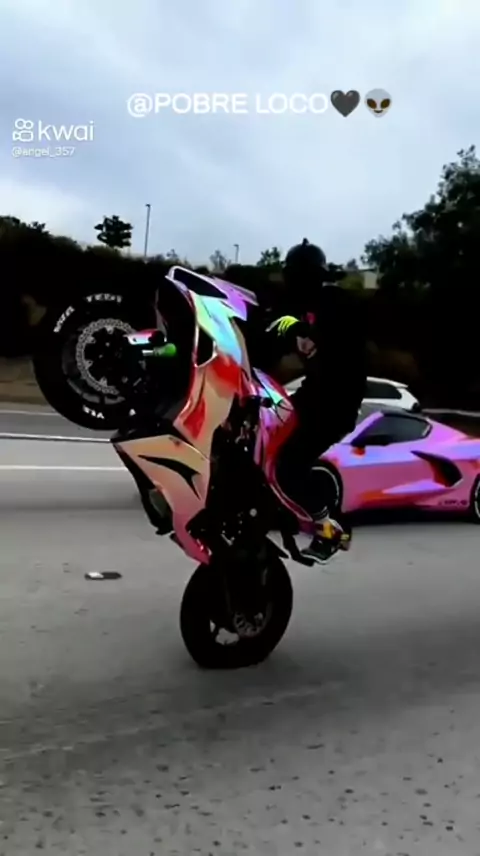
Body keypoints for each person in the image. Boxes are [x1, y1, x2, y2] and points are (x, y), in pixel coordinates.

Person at [268, 239, 367, 563]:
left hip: (336, 403)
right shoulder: (299, 308)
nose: (292, 286)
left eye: (298, 278)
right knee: (262, 433)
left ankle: (330, 529)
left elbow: (335, 337)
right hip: (313, 394)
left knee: (289, 466)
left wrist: (298, 326)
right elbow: (274, 332)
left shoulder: (336, 303)